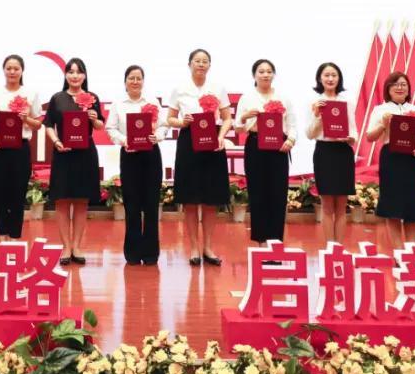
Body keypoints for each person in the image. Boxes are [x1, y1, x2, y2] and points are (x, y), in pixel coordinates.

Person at [166, 48, 232, 266]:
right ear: (189, 64)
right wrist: (181, 122)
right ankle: (194, 247)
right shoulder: (179, 89)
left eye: (205, 61)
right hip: (189, 142)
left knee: (211, 199)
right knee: (191, 199)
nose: (201, 64)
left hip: (213, 142)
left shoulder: (218, 88)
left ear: (209, 65)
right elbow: (170, 118)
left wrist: (221, 136)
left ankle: (208, 247)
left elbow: (227, 118)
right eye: (197, 61)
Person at [0, 54, 43, 256]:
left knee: (17, 196)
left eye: (16, 68)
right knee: (0, 196)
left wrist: (26, 119)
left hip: (20, 150)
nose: (12, 72)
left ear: (22, 71)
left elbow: (38, 124)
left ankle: (14, 243)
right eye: (9, 68)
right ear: (3, 70)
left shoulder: (30, 94)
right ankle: (2, 243)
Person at [44, 57, 104, 265]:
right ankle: (66, 247)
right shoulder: (57, 98)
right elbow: (48, 124)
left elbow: (100, 126)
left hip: (85, 154)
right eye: (71, 71)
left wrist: (94, 118)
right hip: (63, 153)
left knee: (81, 202)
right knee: (62, 202)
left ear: (84, 75)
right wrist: (56, 141)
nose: (75, 75)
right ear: (66, 75)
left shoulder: (92, 98)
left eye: (79, 72)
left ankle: (77, 246)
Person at [363, 71, 415, 251]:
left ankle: (411, 252)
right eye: (395, 84)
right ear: (388, 88)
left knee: (412, 207)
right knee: (392, 206)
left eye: (403, 84)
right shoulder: (380, 110)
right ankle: (399, 252)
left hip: (412, 159)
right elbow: (370, 137)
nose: (400, 88)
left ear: (408, 88)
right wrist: (383, 124)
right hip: (391, 159)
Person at [104, 65, 166, 265]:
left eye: (139, 78)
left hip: (151, 156)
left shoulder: (152, 102)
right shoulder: (118, 104)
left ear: (143, 81)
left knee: (151, 204)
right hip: (129, 156)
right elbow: (110, 128)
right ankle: (132, 251)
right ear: (125, 82)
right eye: (131, 78)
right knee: (132, 205)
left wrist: (156, 136)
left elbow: (164, 125)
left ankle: (150, 253)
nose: (135, 81)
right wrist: (125, 141)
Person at [235, 59, 296, 246]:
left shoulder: (283, 97)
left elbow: (292, 124)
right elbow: (237, 127)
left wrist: (290, 140)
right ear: (254, 75)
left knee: (278, 194)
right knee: (257, 193)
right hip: (255, 146)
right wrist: (245, 117)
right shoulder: (247, 98)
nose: (265, 75)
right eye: (261, 71)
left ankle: (276, 242)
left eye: (269, 71)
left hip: (279, 148)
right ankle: (261, 241)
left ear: (274, 75)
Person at [305, 62, 357, 246]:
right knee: (327, 206)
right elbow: (310, 134)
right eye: (326, 75)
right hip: (324, 153)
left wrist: (350, 138)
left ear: (339, 78)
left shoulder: (347, 102)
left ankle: (339, 249)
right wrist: (318, 115)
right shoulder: (314, 103)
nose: (330, 79)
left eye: (334, 75)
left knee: (341, 206)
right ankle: (330, 248)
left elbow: (354, 131)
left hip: (343, 153)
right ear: (320, 78)